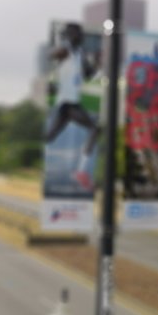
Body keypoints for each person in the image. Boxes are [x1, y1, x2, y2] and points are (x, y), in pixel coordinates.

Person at [43, 23, 101, 190]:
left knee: (50, 136)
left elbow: (89, 74)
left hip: (70, 103)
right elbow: (49, 56)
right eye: (78, 33)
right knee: (95, 128)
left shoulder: (79, 53)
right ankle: (81, 172)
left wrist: (96, 63)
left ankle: (80, 172)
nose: (82, 36)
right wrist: (50, 82)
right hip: (67, 104)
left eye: (82, 33)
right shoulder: (66, 49)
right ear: (71, 35)